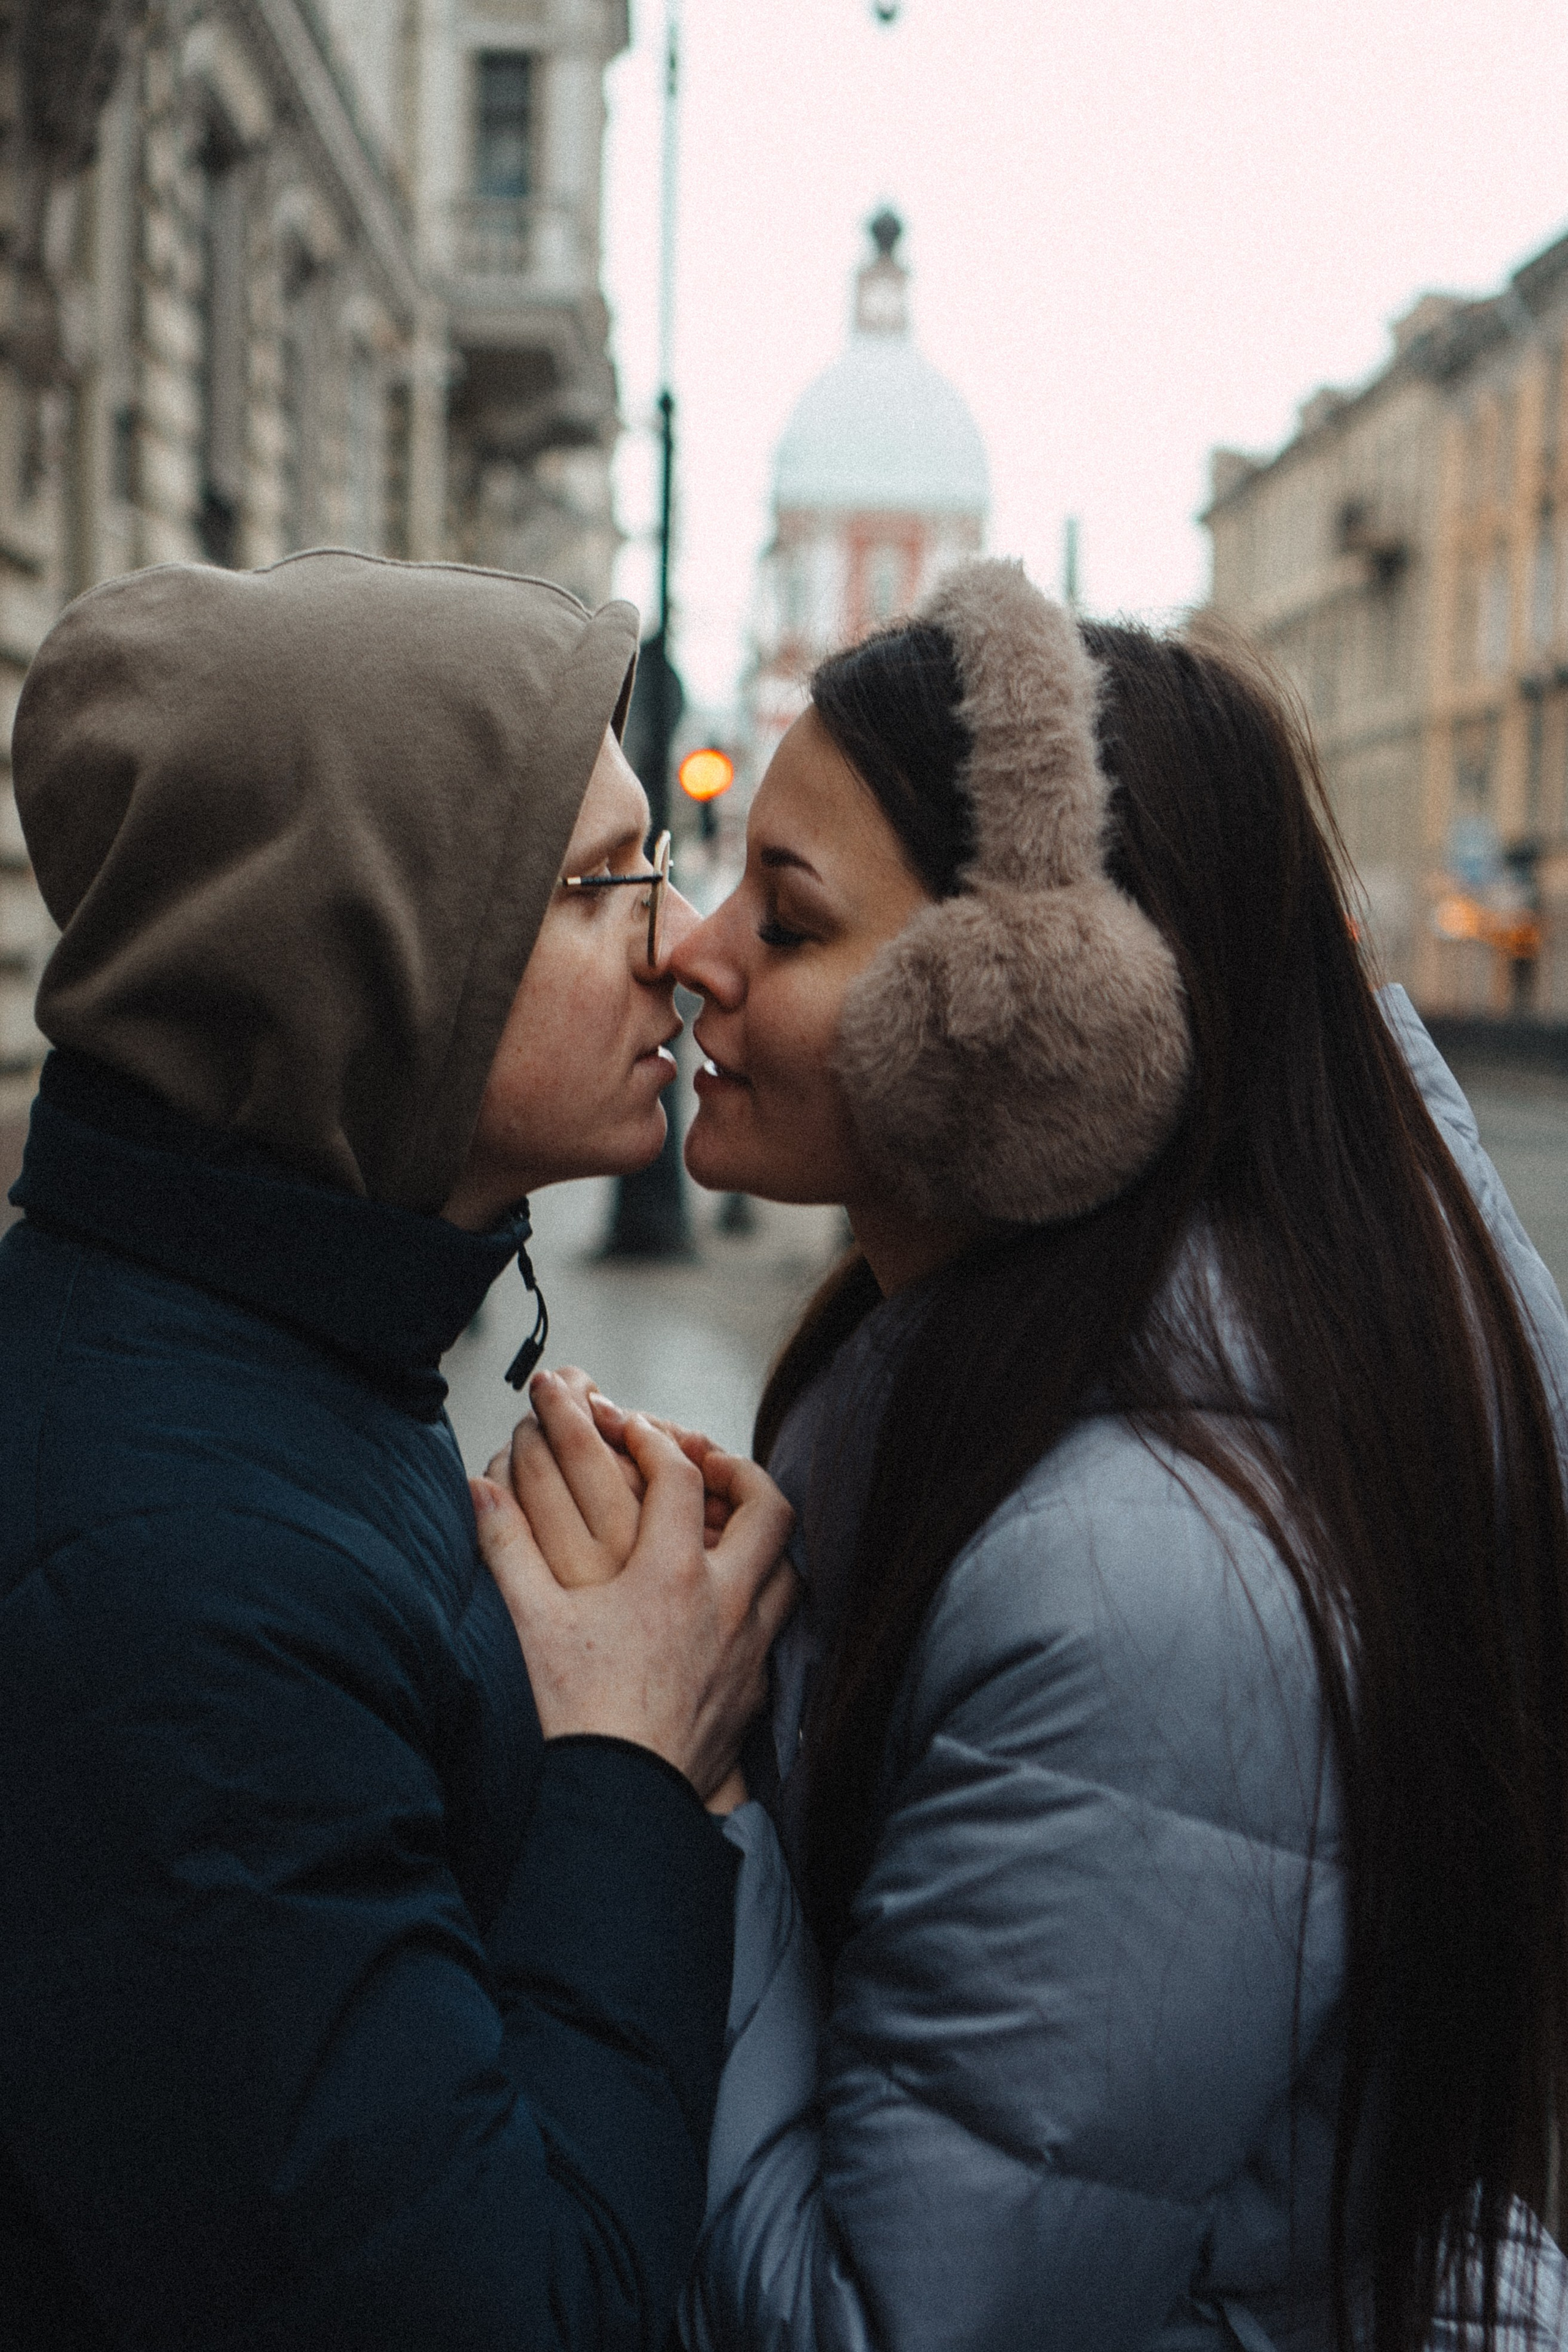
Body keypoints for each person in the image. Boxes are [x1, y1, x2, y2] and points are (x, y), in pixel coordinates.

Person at [475, 559, 1568, 2350]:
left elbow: (888, 2325)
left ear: (1039, 1031)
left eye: (797, 920)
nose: (692, 949)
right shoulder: (964, 1387)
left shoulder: (1150, 1594)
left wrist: (674, 1781)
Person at [0, 549, 796, 2351]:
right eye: (607, 885)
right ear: (370, 952)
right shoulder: (172, 1586)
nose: (682, 942)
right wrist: (630, 1763)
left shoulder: (283, 1363)